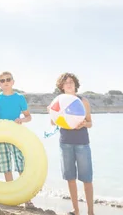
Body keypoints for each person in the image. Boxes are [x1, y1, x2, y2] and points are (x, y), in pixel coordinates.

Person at [0, 71, 35, 209]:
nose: (6, 82)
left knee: (21, 165)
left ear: (13, 81)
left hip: (16, 135)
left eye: (8, 79)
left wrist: (22, 120)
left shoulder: (19, 98)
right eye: (2, 80)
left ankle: (27, 198)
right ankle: (12, 196)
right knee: (5, 165)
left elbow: (29, 117)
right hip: (1, 135)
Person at [52, 73, 94, 215]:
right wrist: (51, 112)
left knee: (87, 178)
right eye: (65, 83)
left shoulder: (83, 101)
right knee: (70, 178)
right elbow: (54, 122)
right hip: (65, 143)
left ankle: (90, 212)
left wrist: (83, 124)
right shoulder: (58, 101)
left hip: (82, 143)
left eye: (71, 82)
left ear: (75, 84)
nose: (69, 84)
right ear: (62, 87)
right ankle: (75, 210)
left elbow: (90, 123)